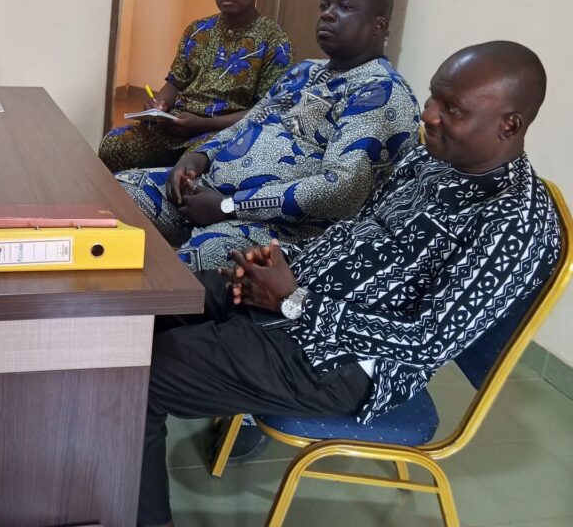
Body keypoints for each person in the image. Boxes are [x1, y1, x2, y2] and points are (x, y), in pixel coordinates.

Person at [137, 41, 560, 527]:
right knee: (145, 313)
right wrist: (283, 263)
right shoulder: (430, 161)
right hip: (302, 300)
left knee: (141, 377)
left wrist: (293, 300)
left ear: (510, 125)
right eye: (434, 97)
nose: (429, 114)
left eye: (453, 109)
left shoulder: (514, 222)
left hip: (342, 364)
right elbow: (356, 234)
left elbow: (426, 342)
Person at [117, 0, 420, 272]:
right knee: (121, 193)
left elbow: (340, 190)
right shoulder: (304, 71)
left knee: (194, 263)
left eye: (344, 6)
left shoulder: (380, 91)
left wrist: (229, 206)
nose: (328, 14)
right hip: (209, 195)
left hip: (287, 229)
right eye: (325, 5)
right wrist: (197, 157)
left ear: (379, 25)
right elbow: (248, 123)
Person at [99, 0, 292, 172]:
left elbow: (266, 111)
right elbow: (175, 83)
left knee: (189, 167)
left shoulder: (275, 43)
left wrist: (203, 124)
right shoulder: (199, 30)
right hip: (176, 125)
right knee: (114, 145)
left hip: (223, 134)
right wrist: (158, 105)